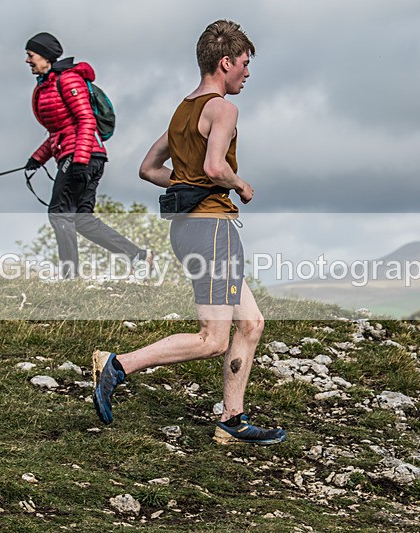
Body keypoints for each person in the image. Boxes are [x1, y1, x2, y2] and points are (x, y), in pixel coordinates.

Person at [92, 20, 286, 445]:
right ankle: (117, 364)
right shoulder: (222, 108)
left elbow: (148, 169)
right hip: (212, 228)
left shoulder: (184, 111)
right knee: (212, 338)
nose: (247, 73)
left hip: (189, 229)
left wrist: (187, 183)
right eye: (245, 64)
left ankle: (232, 420)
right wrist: (239, 184)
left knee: (250, 323)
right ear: (225, 62)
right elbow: (215, 167)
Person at [24, 32, 150, 279]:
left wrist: (80, 160)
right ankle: (137, 255)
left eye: (31, 55)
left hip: (83, 155)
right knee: (81, 219)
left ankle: (70, 277)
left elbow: (86, 120)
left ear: (46, 56)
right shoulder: (47, 84)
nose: (27, 61)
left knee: (59, 213)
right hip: (83, 154)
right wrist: (38, 158)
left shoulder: (68, 80)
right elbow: (61, 131)